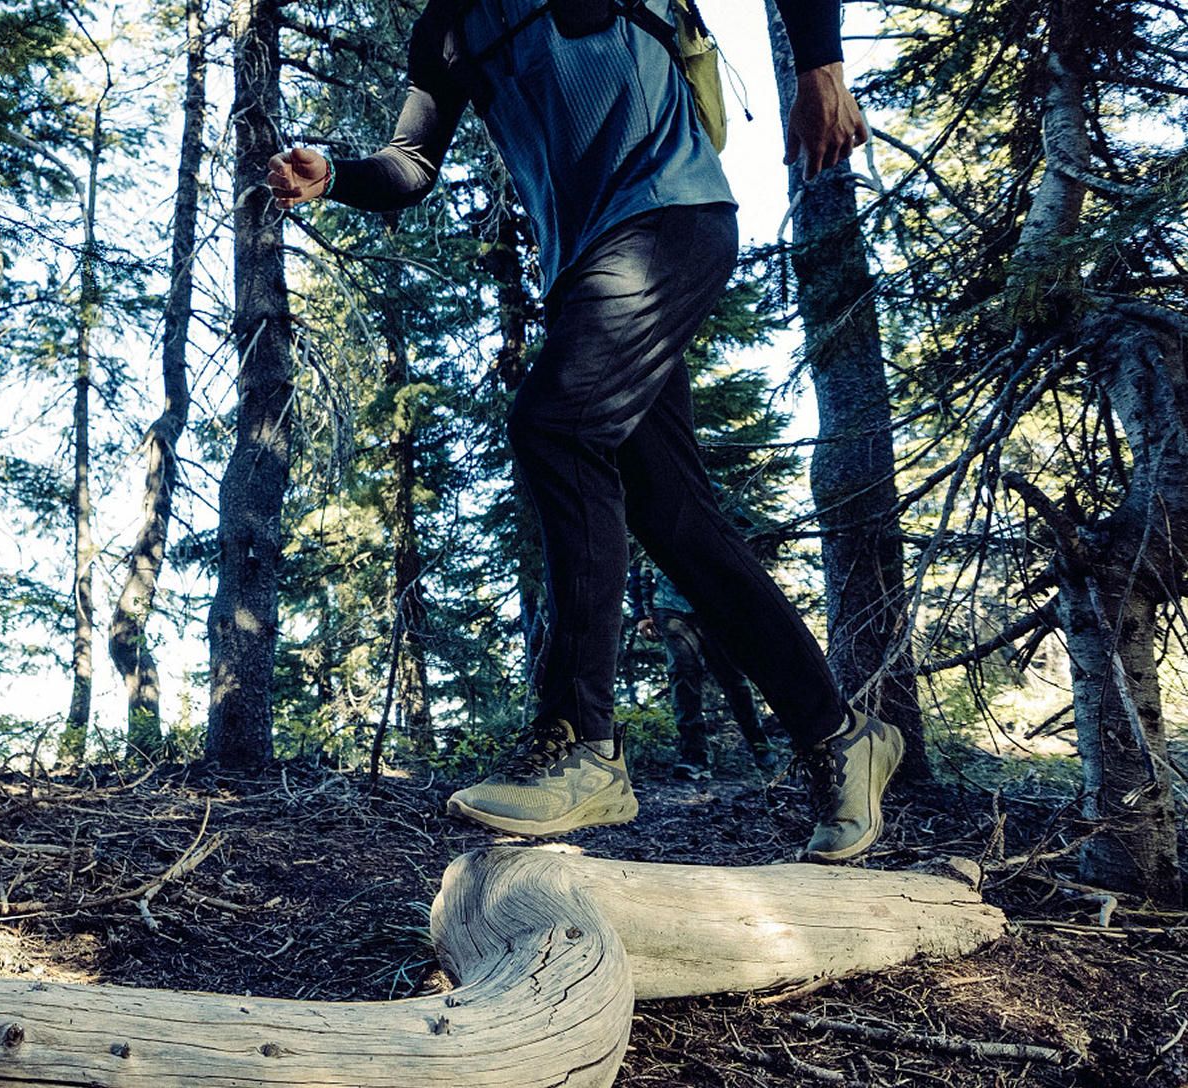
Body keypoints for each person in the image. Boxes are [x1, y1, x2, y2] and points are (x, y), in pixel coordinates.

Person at [267, 0, 903, 861]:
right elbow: (411, 163)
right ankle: (839, 736)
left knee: (555, 427)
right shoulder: (447, 25)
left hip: (670, 216)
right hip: (584, 269)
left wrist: (821, 67)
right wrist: (334, 175)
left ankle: (583, 743)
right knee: (676, 519)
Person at [628, 561, 776, 777]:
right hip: (669, 608)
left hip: (713, 607)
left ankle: (760, 745)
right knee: (682, 674)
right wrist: (641, 614)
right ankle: (694, 755)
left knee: (732, 676)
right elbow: (638, 566)